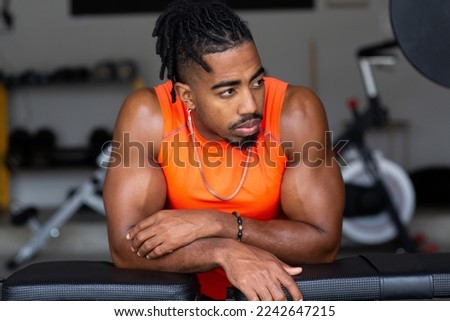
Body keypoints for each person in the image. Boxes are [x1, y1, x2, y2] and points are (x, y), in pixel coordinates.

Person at [103, 0, 344, 301]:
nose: (251, 105)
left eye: (256, 82)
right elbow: (125, 250)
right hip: (182, 302)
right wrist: (223, 250)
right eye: (228, 91)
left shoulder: (295, 112)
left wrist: (218, 223)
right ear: (187, 96)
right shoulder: (148, 116)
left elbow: (324, 244)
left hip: (274, 299)